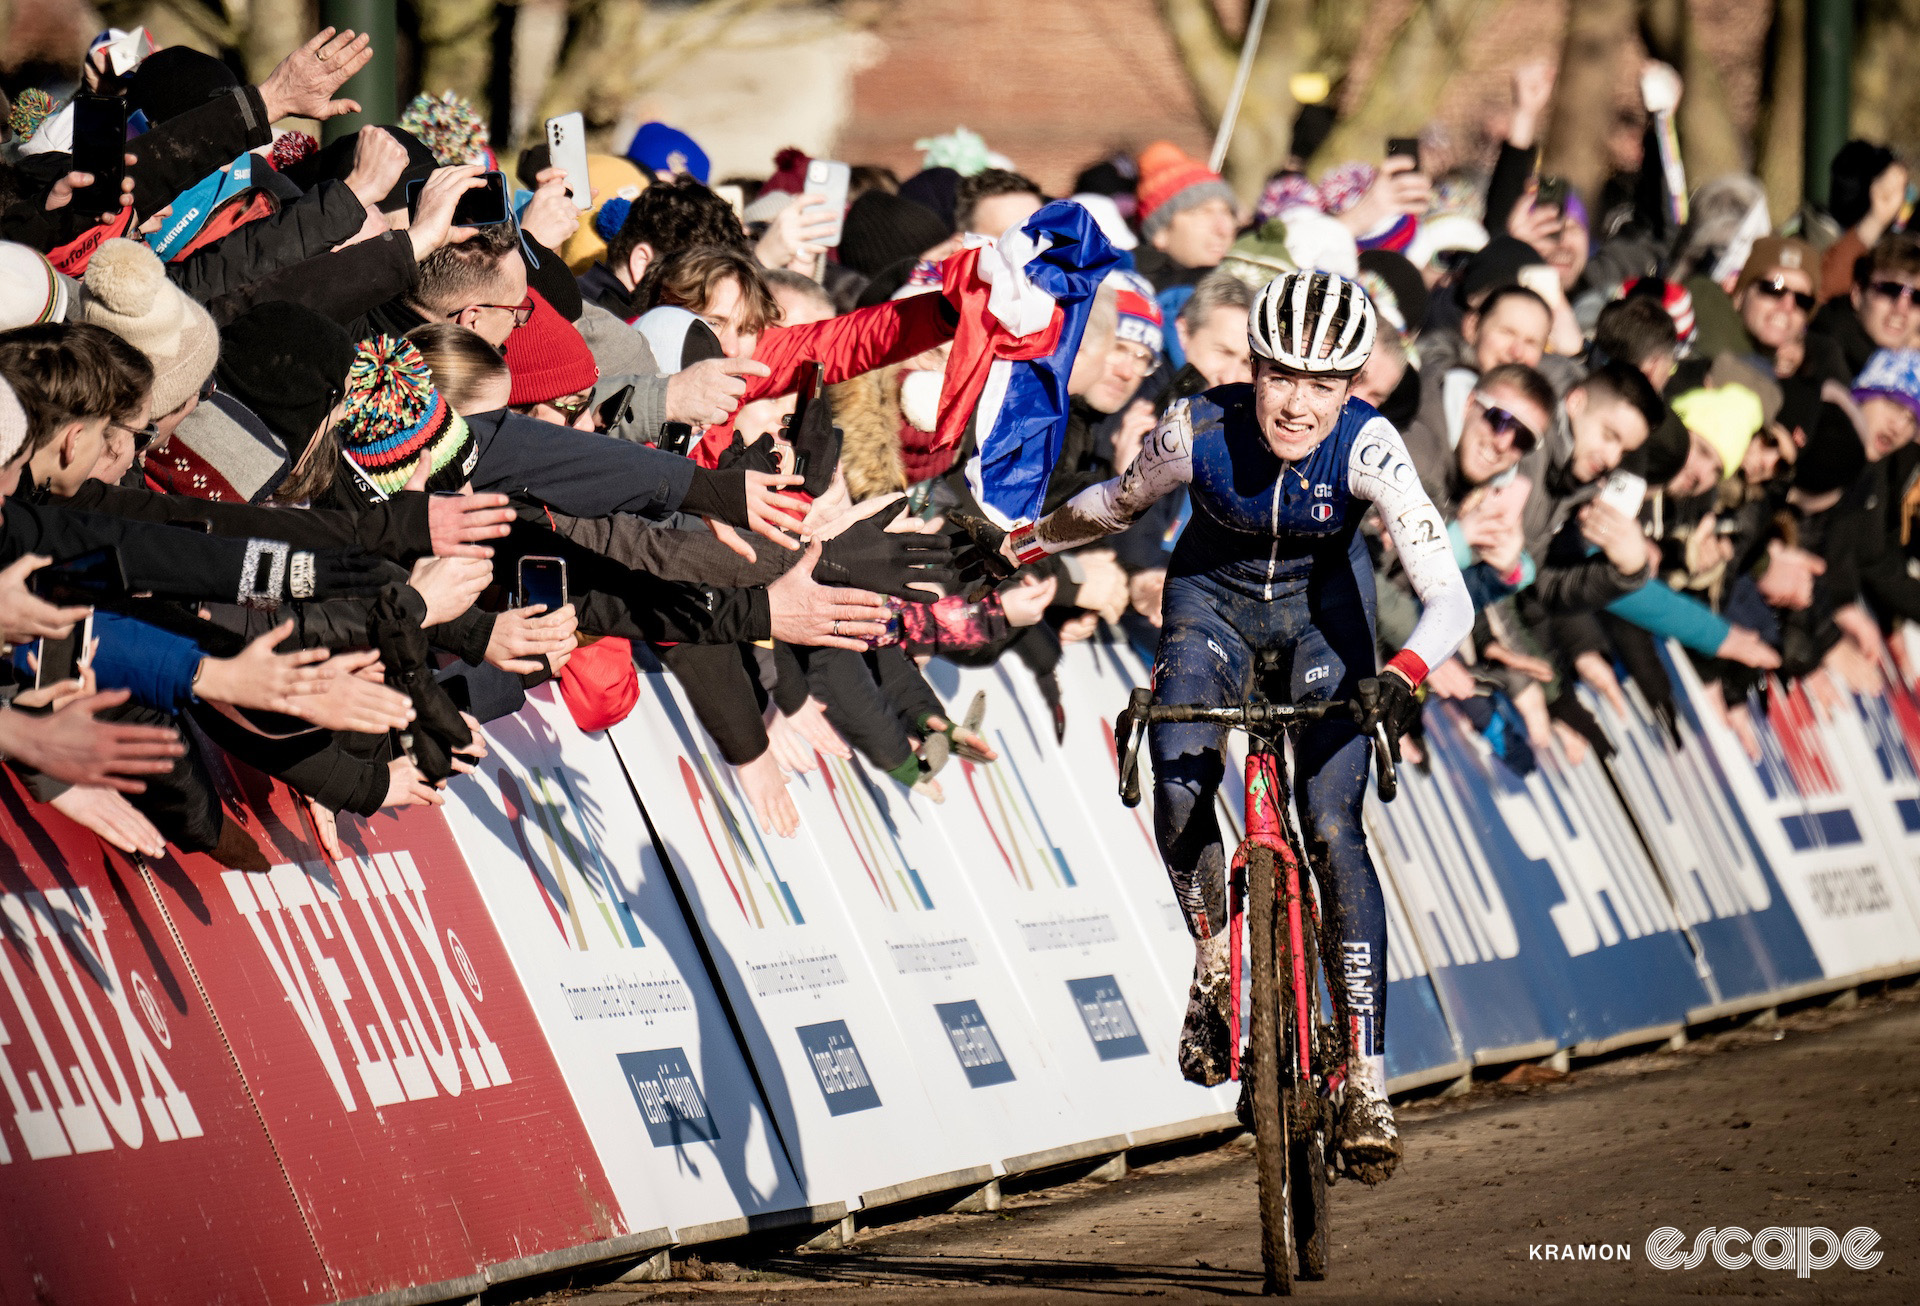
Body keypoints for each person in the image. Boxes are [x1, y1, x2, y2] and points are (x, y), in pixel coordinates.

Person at [977, 270, 1472, 1183]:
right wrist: (1022, 543)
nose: (1297, 404)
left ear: (1353, 385)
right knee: (1177, 784)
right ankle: (1213, 964)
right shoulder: (1195, 429)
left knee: (1332, 828)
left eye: (1323, 386)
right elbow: (1115, 504)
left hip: (1328, 618)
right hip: (1210, 607)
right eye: (1281, 377)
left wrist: (1404, 674)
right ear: (1254, 368)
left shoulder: (1372, 448)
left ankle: (1366, 1077)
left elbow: (1449, 595)